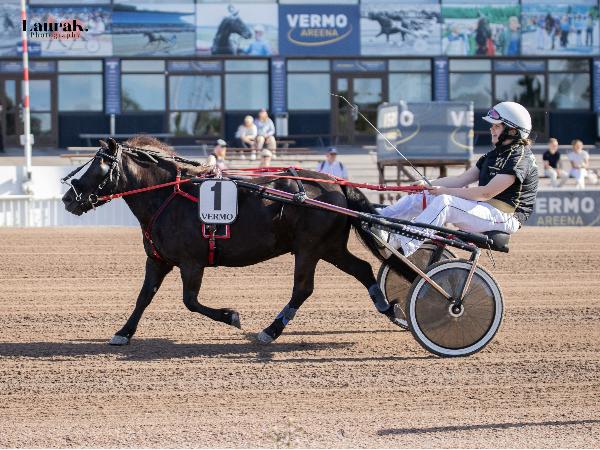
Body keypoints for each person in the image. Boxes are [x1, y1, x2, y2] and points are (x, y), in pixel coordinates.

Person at [378, 101, 538, 258]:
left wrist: (445, 191)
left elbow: (486, 193)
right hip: (484, 210)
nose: (491, 129)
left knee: (445, 202)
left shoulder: (520, 158)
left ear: (512, 131)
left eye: (496, 126)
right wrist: (427, 184)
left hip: (504, 216)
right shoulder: (493, 155)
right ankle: (380, 220)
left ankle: (401, 243)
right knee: (424, 194)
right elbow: (461, 179)